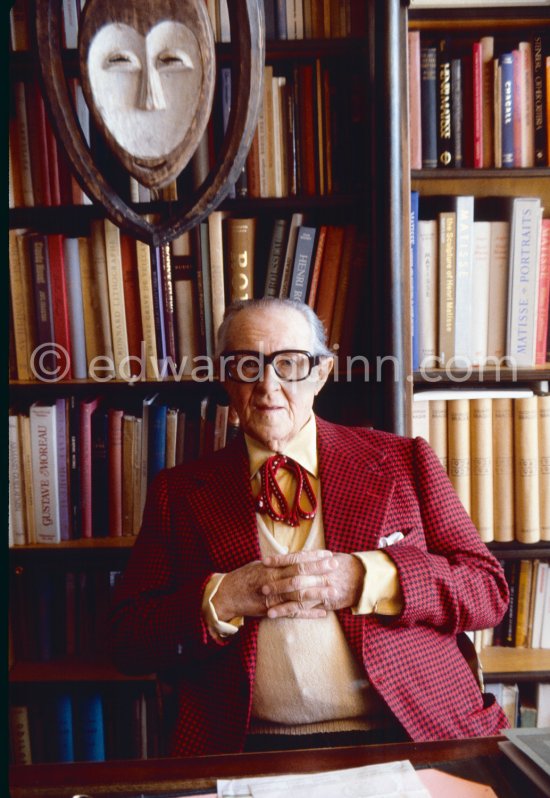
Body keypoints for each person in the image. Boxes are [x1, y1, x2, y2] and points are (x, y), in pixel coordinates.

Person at [110, 297, 510, 757]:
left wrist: (369, 578)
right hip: (245, 746)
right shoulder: (177, 492)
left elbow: (488, 591)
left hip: (410, 730)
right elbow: (129, 640)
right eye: (246, 365)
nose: (267, 386)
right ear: (224, 376)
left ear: (321, 373)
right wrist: (222, 600)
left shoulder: (403, 461)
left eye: (290, 364)